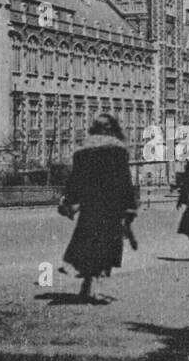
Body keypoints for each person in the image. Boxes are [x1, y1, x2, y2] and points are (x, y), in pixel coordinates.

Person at [59, 114, 138, 303]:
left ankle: (87, 285)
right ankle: (98, 289)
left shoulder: (83, 148)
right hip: (111, 205)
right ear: (112, 128)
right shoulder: (117, 149)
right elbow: (124, 179)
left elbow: (76, 178)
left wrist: (70, 200)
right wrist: (129, 206)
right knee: (106, 247)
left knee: (89, 244)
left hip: (90, 206)